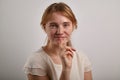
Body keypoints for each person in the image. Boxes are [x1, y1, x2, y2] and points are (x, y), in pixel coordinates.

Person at [24, 2, 92, 80]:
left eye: (65, 25)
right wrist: (66, 69)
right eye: (53, 25)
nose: (60, 32)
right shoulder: (36, 61)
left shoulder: (81, 58)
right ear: (44, 27)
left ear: (73, 26)